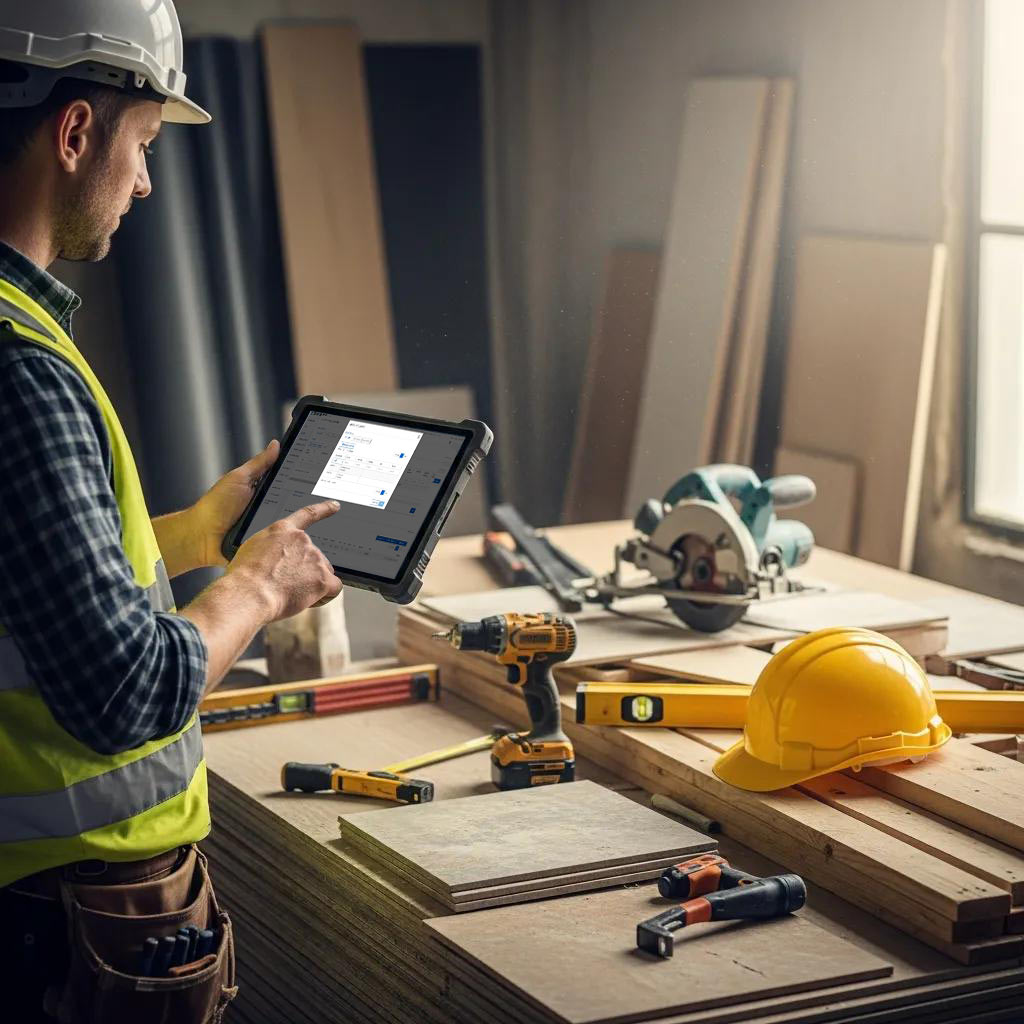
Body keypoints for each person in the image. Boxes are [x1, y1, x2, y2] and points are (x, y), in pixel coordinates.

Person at [0, 2, 342, 1019]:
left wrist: (197, 533)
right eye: (142, 142)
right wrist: (255, 586)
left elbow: (35, 582)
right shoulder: (21, 371)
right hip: (60, 926)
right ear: (74, 134)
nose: (145, 180)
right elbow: (123, 692)